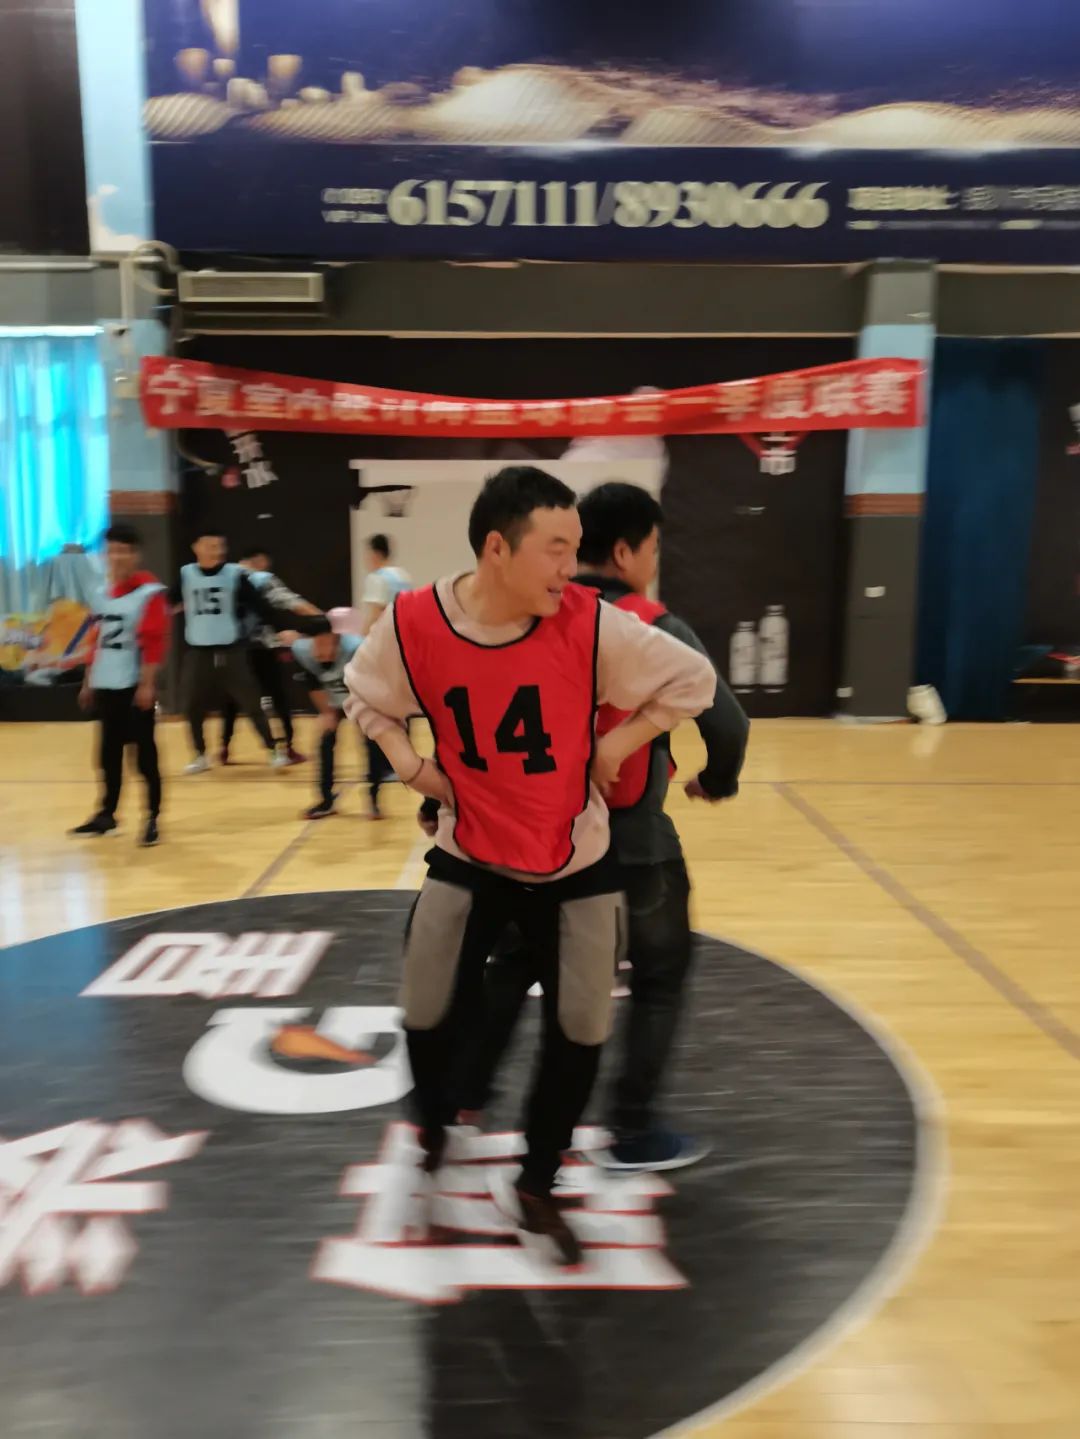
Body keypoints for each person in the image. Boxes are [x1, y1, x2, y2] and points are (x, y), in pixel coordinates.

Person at [344, 466, 715, 1267]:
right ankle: (434, 1124)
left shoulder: (590, 624)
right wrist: (410, 765)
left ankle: (538, 1181)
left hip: (574, 859)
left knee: (581, 1028)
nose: (570, 567)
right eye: (555, 549)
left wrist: (615, 745)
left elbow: (695, 679)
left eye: (576, 548)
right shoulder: (415, 621)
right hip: (469, 849)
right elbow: (363, 692)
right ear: (496, 548)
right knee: (423, 1008)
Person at [452, 482, 750, 1172]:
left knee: (514, 965)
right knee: (659, 975)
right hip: (632, 844)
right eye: (653, 549)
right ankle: (632, 1129)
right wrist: (718, 780)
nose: (653, 562)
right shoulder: (652, 625)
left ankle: (460, 1099)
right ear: (623, 552)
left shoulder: (519, 615)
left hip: (533, 842)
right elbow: (728, 722)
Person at [169, 530, 327, 773]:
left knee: (252, 702)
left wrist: (281, 629)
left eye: (220, 546)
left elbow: (261, 607)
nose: (217, 551)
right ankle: (200, 755)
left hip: (231, 650)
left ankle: (274, 750)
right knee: (192, 705)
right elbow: (169, 602)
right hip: (198, 651)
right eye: (210, 545)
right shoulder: (186, 574)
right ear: (196, 547)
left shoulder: (235, 575)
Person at [71, 524, 169, 846]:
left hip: (133, 686)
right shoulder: (100, 593)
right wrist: (88, 681)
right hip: (105, 684)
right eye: (111, 551)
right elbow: (95, 639)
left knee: (144, 757)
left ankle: (152, 818)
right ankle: (107, 815)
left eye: (124, 551)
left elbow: (154, 644)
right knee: (107, 755)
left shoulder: (149, 594)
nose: (117, 557)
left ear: (135, 555)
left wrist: (147, 684)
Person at [219, 544, 322, 767]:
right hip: (260, 647)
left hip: (230, 648)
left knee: (232, 699)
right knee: (278, 696)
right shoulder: (263, 579)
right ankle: (288, 748)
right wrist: (323, 619)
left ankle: (223, 748)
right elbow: (292, 602)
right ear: (259, 560)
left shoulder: (223, 576)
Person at [357, 534, 413, 815]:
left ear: (375, 554)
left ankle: (383, 764)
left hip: (384, 650)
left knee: (377, 708)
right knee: (401, 705)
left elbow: (376, 615)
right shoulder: (403, 576)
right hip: (404, 647)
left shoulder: (377, 578)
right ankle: (401, 762)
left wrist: (362, 645)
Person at [292, 628, 363, 820]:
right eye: (317, 644)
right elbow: (313, 685)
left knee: (373, 742)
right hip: (332, 699)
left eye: (326, 644)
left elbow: (371, 682)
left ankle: (375, 800)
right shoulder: (303, 651)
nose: (320, 650)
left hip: (362, 697)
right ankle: (325, 801)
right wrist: (327, 712)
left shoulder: (357, 648)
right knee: (325, 742)